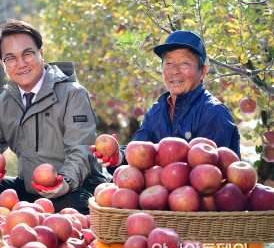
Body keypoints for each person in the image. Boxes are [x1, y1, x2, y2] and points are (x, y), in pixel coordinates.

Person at [0, 20, 105, 214]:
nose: (21, 64)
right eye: (11, 58)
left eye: (27, 54)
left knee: (69, 206)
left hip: (75, 187)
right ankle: (27, 215)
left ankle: (33, 214)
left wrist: (65, 183)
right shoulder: (1, 105)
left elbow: (81, 150)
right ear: (3, 63)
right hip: (30, 190)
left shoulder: (72, 94)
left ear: (41, 54)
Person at [99, 30, 241, 170]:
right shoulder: (156, 111)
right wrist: (119, 158)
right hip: (159, 190)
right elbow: (138, 151)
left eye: (184, 63)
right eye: (168, 63)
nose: (174, 71)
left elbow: (205, 174)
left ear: (203, 72)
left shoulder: (213, 113)